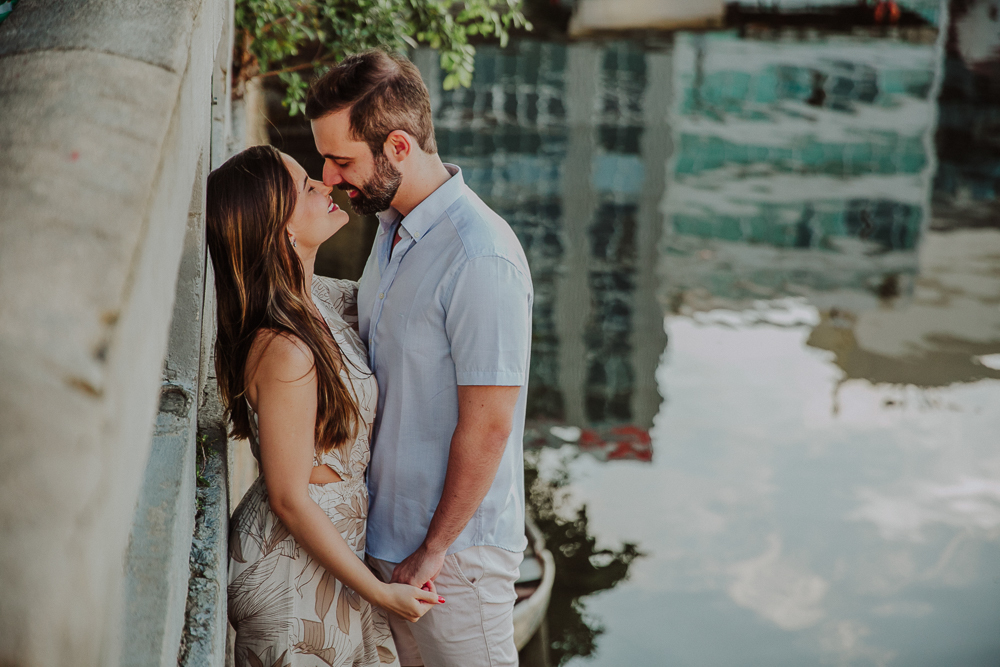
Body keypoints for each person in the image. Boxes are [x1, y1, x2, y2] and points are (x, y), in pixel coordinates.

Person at [306, 50, 533, 667]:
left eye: (342, 160)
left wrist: (433, 550)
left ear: (398, 147)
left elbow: (488, 424)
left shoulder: (481, 258)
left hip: (452, 562)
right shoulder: (390, 227)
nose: (328, 177)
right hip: (383, 536)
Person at [206, 145, 441, 667]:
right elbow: (289, 498)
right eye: (307, 188)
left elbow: (408, 279)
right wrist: (381, 594)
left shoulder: (325, 300)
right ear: (278, 229)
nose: (326, 187)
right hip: (292, 568)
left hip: (338, 550)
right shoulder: (283, 348)